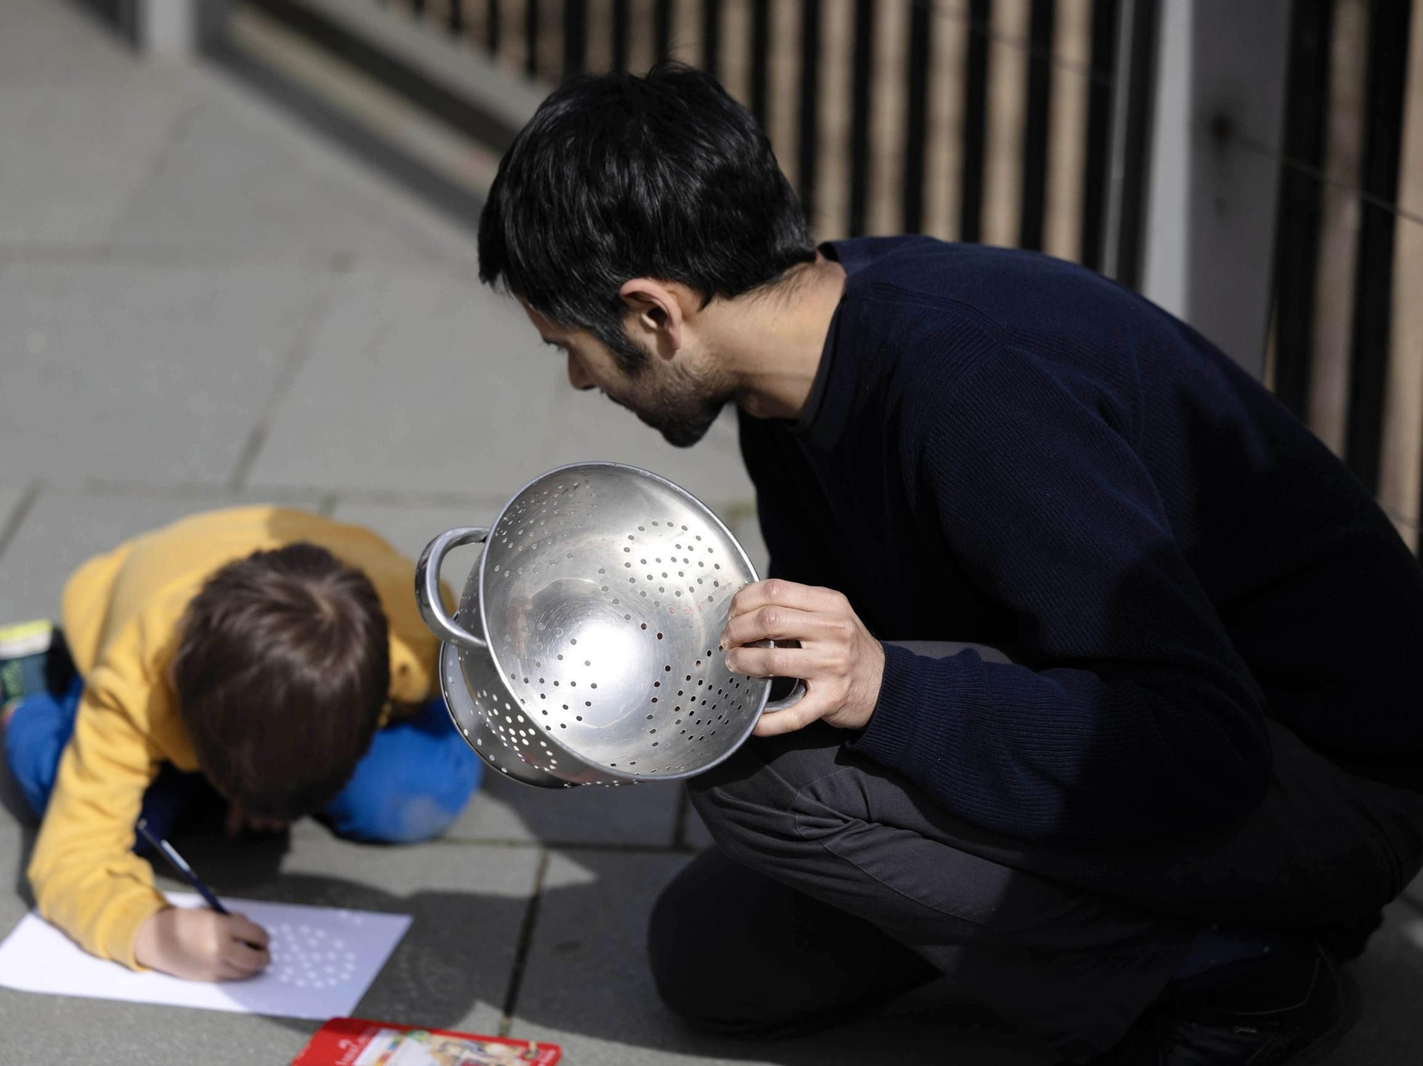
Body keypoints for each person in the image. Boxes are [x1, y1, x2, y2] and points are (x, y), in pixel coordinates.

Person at [475, 64, 1423, 1063]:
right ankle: (1169, 935)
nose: (579, 378)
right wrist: (636, 706)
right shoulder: (783, 381)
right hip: (1157, 738)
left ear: (653, 313)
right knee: (715, 959)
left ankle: (1232, 976)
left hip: (1324, 775)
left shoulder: (969, 388)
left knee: (765, 783)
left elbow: (1199, 737)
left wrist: (886, 686)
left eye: (569, 347)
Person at [0, 507, 482, 981]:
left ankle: (241, 777)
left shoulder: (419, 631)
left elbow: (486, 681)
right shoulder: (133, 684)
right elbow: (70, 858)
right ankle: (31, 697)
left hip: (298, 613)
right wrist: (156, 934)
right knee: (58, 786)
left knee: (418, 794)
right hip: (139, 595)